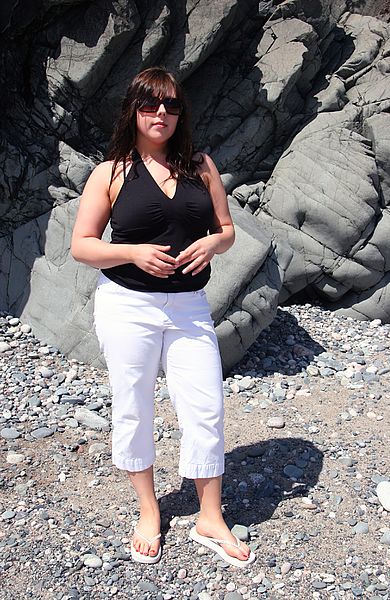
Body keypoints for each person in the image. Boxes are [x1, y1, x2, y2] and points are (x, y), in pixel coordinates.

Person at [71, 66, 255, 567]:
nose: (161, 114)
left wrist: (215, 243)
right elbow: (82, 246)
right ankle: (149, 511)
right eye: (151, 105)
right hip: (128, 304)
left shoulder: (201, 165)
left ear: (181, 114)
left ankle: (209, 517)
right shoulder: (110, 172)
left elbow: (227, 228)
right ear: (133, 109)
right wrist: (132, 253)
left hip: (189, 305)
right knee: (133, 406)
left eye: (172, 106)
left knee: (206, 406)